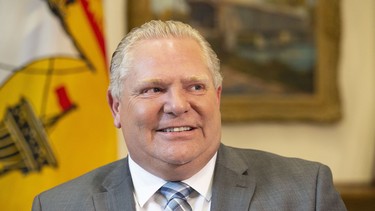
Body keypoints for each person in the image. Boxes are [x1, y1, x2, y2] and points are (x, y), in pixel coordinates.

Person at [32, 20, 346, 211]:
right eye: (154, 89)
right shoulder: (58, 206)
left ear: (217, 97)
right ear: (116, 107)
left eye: (195, 86)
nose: (178, 105)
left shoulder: (306, 193)